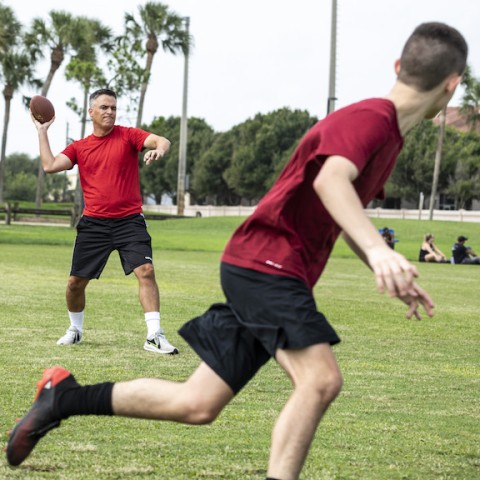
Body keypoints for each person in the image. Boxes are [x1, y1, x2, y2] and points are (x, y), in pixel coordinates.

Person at [7, 22, 467, 479]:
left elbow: (338, 205)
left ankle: (62, 397)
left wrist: (379, 262)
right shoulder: (371, 120)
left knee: (197, 403)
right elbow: (331, 181)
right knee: (321, 380)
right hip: (269, 266)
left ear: (397, 66)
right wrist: (381, 250)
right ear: (454, 84)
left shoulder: (387, 134)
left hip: (260, 266)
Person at [29, 88, 178, 355]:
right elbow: (50, 165)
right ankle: (75, 330)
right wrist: (42, 131)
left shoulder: (128, 135)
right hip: (94, 225)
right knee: (75, 283)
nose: (110, 112)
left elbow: (162, 140)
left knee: (146, 271)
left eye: (113, 108)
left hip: (130, 221)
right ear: (92, 112)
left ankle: (154, 335)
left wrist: (160, 151)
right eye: (104, 108)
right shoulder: (80, 147)